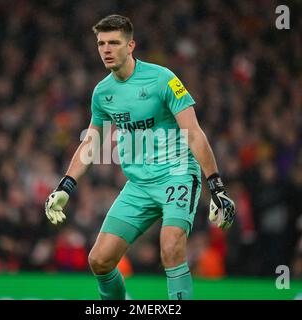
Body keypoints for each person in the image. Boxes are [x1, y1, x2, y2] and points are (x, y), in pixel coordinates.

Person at [44, 14, 236, 300]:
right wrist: (65, 186)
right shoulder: (103, 93)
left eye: (114, 43)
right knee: (100, 260)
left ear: (131, 45)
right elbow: (90, 143)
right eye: (101, 43)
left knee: (170, 246)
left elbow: (194, 133)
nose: (106, 49)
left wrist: (216, 187)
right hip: (138, 185)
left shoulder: (164, 79)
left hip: (177, 173)